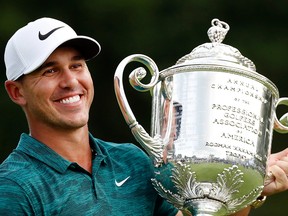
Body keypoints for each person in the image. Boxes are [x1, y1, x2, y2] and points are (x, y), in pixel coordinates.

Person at [0, 17, 287, 216]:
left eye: (76, 66)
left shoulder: (133, 161)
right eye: (50, 70)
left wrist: (247, 186)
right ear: (16, 92)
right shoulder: (12, 187)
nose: (70, 82)